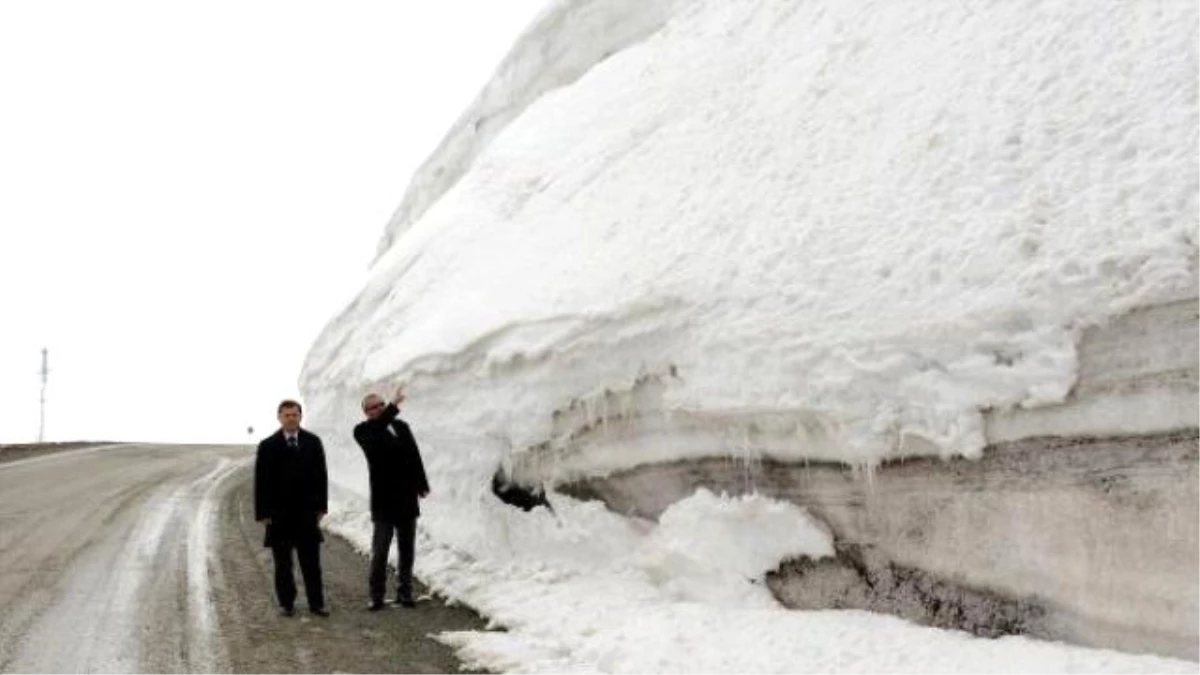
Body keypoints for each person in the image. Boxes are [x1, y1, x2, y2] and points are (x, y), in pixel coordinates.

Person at [353, 386, 430, 610]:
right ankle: (376, 596)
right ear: (366, 412)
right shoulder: (363, 431)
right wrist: (393, 407)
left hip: (407, 498)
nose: (378, 409)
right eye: (372, 407)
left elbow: (414, 455)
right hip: (383, 501)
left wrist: (421, 483)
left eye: (381, 404)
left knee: (407, 550)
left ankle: (404, 593)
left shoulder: (401, 426)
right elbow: (378, 436)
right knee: (380, 551)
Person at [254, 399, 330, 617]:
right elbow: (261, 482)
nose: (291, 418)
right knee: (283, 564)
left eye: (294, 414)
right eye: (286, 415)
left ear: (300, 416)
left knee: (311, 563)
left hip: (306, 513)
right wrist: (263, 513)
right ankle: (287, 603)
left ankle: (317, 603)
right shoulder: (268, 446)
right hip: (279, 515)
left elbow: (321, 477)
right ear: (279, 417)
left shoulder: (313, 442)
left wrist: (321, 507)